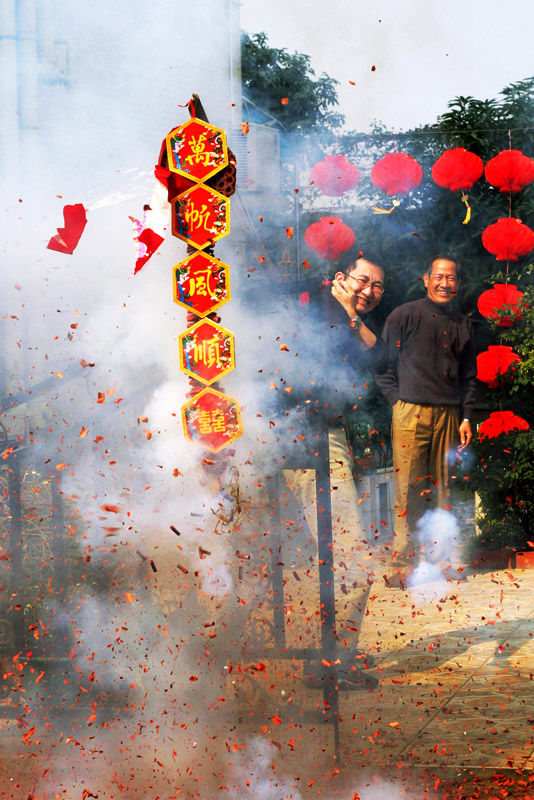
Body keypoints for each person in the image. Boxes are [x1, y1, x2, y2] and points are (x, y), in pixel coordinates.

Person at [273, 249, 387, 685]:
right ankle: (330, 664)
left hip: (326, 437)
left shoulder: (348, 318)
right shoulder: (310, 306)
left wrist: (349, 312)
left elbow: (379, 360)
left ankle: (333, 657)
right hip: (303, 440)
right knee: (352, 564)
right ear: (339, 277)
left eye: (377, 286)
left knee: (334, 562)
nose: (369, 291)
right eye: (362, 280)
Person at [375, 255, 477, 587]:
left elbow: (468, 377)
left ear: (458, 285)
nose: (444, 283)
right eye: (439, 277)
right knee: (409, 489)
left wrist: (466, 417)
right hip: (410, 412)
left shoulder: (463, 325)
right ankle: (403, 566)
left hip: (449, 414)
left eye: (451, 278)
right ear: (426, 279)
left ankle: (441, 561)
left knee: (443, 488)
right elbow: (382, 364)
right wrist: (396, 402)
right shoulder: (404, 314)